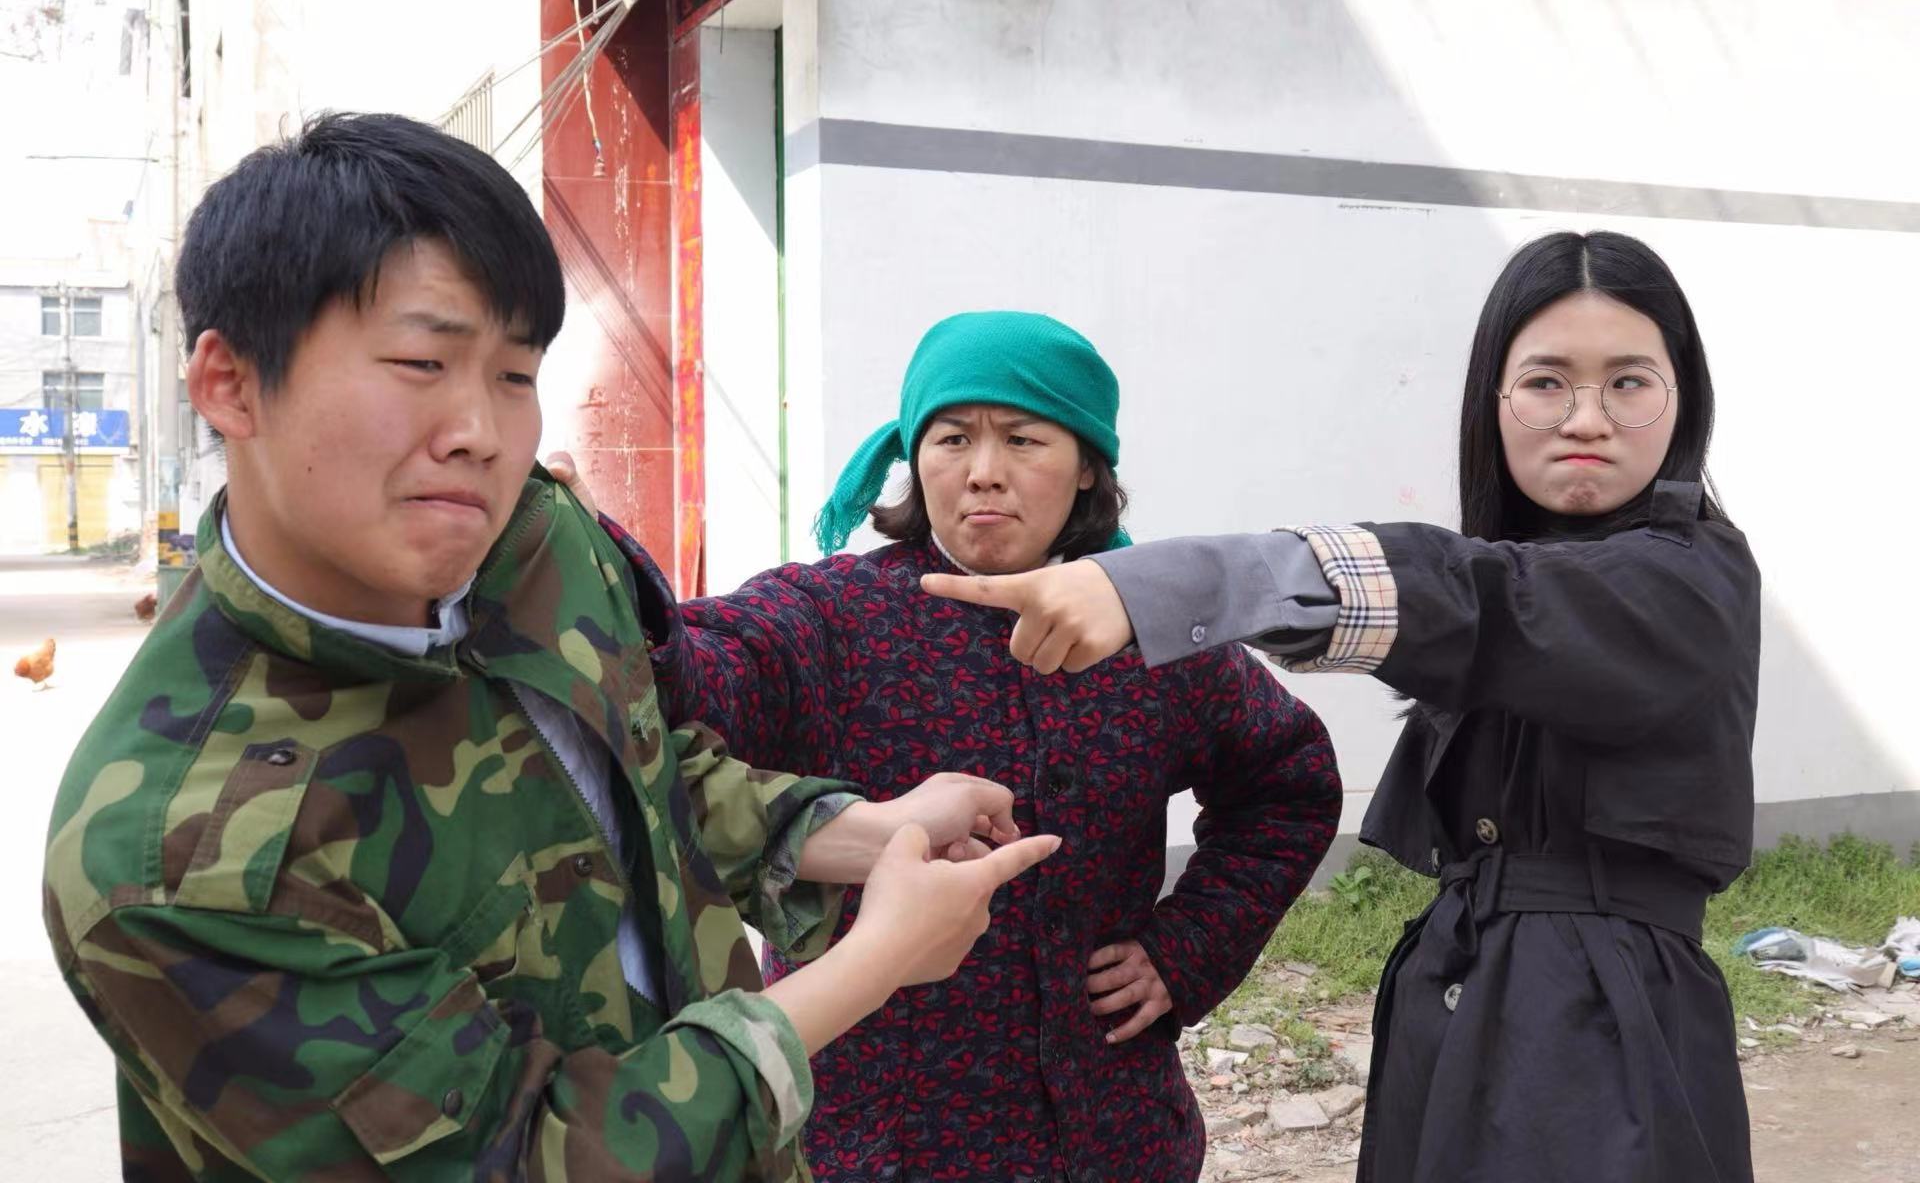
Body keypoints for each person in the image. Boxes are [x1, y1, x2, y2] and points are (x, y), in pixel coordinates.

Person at [40, 113, 1057, 1183]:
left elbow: (640, 770)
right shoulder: (179, 856)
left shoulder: (537, 541)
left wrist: (851, 830)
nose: (480, 428)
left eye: (516, 374)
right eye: (421, 361)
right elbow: (515, 1158)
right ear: (231, 383)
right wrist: (876, 960)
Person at [926, 234, 1760, 1183]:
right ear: (1494, 400)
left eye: (1629, 382)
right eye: (1544, 382)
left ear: (1682, 395)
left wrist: (1181, 585)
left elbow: (1487, 605)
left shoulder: (1688, 578)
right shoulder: (839, 608)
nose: (1586, 417)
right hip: (1465, 1004)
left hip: (1600, 1031)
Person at [555, 310, 1341, 1183]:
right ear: (912, 456)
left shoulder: (1149, 634)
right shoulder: (836, 619)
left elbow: (1289, 780)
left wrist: (1185, 949)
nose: (983, 473)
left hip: (1108, 1134)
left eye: (1025, 439)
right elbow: (698, 671)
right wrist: (600, 579)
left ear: (1087, 466)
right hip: (875, 1139)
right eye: (952, 437)